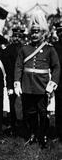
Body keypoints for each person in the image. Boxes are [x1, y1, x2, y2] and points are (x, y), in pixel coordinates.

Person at [14, 15, 60, 149]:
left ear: (43, 33)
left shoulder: (49, 49)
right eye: (32, 32)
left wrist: (52, 83)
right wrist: (17, 81)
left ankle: (43, 135)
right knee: (30, 112)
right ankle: (33, 133)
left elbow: (56, 67)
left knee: (42, 112)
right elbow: (18, 66)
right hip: (28, 86)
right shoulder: (24, 49)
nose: (34, 35)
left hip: (42, 86)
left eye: (37, 32)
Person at [2, 26, 25, 136]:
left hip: (25, 81)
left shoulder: (27, 49)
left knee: (26, 104)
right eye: (15, 36)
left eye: (19, 36)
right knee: (12, 104)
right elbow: (7, 69)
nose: (17, 38)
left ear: (22, 38)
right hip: (12, 80)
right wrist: (10, 86)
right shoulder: (7, 50)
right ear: (12, 37)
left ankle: (26, 124)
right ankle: (12, 125)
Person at [53, 20, 62, 143]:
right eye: (59, 32)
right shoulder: (54, 46)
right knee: (59, 108)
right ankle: (59, 133)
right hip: (59, 81)